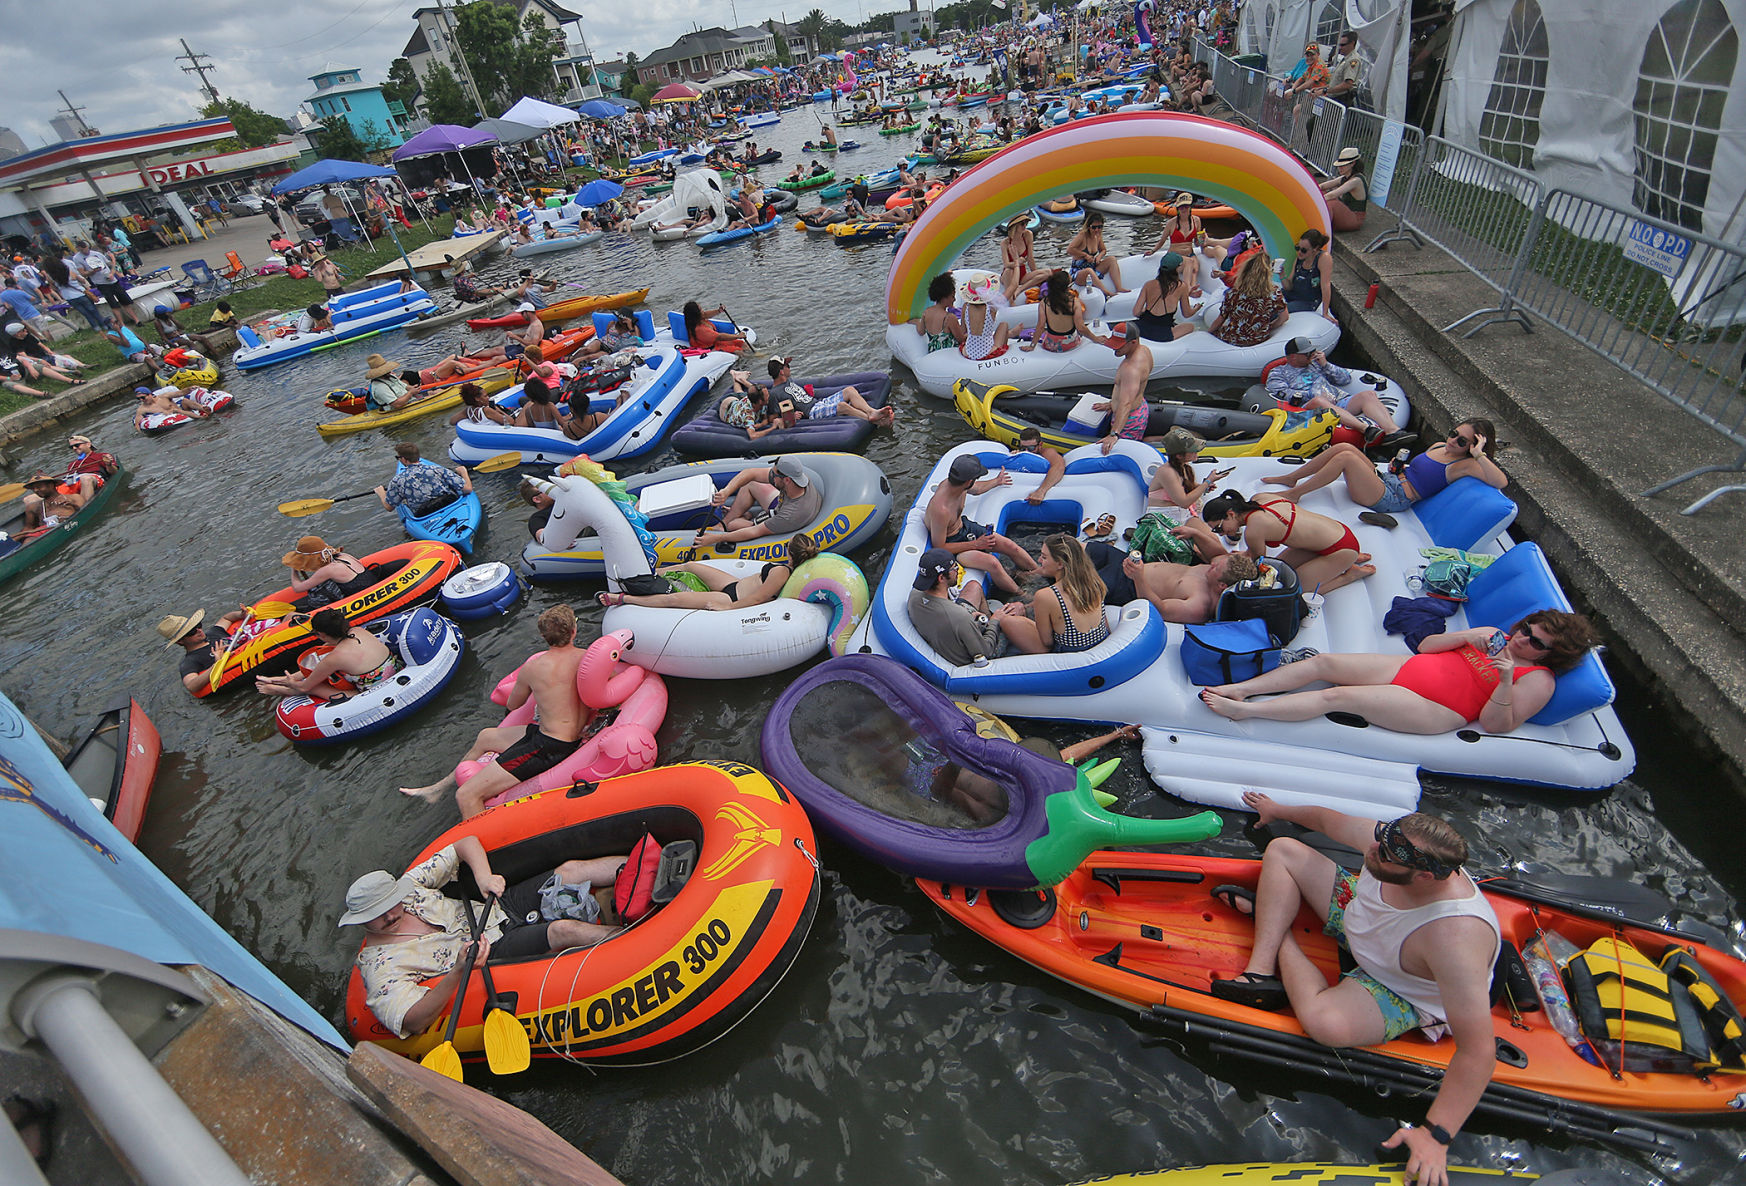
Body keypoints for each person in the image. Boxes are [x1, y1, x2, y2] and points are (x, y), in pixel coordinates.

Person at [1208, 793, 1501, 1186]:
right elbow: (1329, 820)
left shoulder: (1454, 938)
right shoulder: (1391, 845)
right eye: (1380, 840)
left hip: (1399, 984)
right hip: (1360, 920)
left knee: (1325, 1025)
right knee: (1283, 851)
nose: (1373, 849)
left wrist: (1436, 1136)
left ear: (1425, 877)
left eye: (1385, 856)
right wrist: (1277, 811)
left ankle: (1276, 930)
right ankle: (1261, 969)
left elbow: (1479, 1050)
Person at [341, 832, 625, 1040]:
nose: (390, 915)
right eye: (377, 915)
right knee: (564, 931)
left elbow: (465, 843)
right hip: (490, 953)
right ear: (361, 920)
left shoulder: (411, 887)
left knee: (570, 870)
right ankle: (630, 938)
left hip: (499, 908)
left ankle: (652, 861)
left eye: (391, 904)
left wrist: (484, 878)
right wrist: (457, 970)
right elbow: (412, 1019)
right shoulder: (379, 966)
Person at [400, 607, 592, 817]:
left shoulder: (533, 668)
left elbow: (513, 704)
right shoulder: (588, 659)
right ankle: (438, 789)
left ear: (543, 636)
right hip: (552, 736)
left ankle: (483, 844)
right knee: (486, 736)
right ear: (574, 630)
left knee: (466, 795)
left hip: (548, 747)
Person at [1264, 419, 1506, 516]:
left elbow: (1501, 482)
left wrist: (1479, 455)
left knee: (1346, 460)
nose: (1453, 440)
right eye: (1454, 433)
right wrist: (1397, 467)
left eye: (1462, 441)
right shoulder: (1439, 445)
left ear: (1472, 446)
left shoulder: (1463, 465)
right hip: (1388, 479)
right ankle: (1291, 478)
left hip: (1394, 498)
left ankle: (1295, 495)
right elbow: (1415, 470)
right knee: (1345, 448)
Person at [1203, 488, 1374, 594]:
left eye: (1219, 528)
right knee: (1282, 566)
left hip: (1342, 548)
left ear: (1231, 514)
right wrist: (1247, 553)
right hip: (1337, 532)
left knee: (1295, 588)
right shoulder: (1261, 498)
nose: (1221, 533)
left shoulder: (1253, 531)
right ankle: (1348, 558)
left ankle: (1348, 575)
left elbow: (1259, 565)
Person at [598, 533, 820, 611]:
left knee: (674, 599)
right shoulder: (784, 568)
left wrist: (729, 607)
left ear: (790, 551)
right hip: (733, 584)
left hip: (730, 597)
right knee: (691, 566)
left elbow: (760, 597)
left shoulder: (782, 572)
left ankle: (623, 598)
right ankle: (650, 573)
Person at [925, 454, 1039, 595]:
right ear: (968, 481)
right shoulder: (941, 509)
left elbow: (977, 489)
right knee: (993, 563)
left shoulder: (958, 485)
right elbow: (939, 546)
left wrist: (997, 481)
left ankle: (1040, 574)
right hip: (953, 546)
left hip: (965, 528)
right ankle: (1024, 596)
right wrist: (977, 544)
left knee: (1011, 546)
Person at [1265, 337, 1409, 444]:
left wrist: (1325, 364)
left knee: (1368, 395)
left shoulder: (1316, 364)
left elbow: (1345, 379)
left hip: (1338, 401)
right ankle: (1366, 430)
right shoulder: (1278, 373)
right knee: (1319, 400)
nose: (1312, 355)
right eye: (1307, 353)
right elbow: (1280, 393)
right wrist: (1311, 394)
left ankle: (1393, 432)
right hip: (1309, 408)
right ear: (1293, 356)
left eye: (1312, 351)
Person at [994, 534, 1111, 654]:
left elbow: (1047, 642)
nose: (1039, 560)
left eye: (1044, 557)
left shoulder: (1045, 595)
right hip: (1100, 640)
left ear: (1060, 564)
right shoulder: (1094, 581)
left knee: (1006, 620)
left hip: (1068, 651)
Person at [253, 608, 397, 700]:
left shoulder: (334, 658)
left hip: (373, 691)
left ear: (321, 634)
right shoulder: (358, 631)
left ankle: (281, 688)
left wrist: (293, 684)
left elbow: (305, 687)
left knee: (312, 686)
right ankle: (281, 679)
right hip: (395, 670)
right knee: (324, 651)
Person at [694, 455, 823, 548]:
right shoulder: (799, 481)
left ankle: (730, 525)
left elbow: (755, 532)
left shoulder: (790, 515)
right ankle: (723, 524)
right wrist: (726, 492)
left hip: (780, 517)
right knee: (751, 483)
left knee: (733, 525)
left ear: (787, 480)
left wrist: (716, 538)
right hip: (780, 505)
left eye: (774, 475)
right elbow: (751, 473)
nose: (771, 476)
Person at [907, 547, 1005, 666]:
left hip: (949, 629)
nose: (958, 570)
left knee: (974, 586)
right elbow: (986, 651)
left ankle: (988, 619)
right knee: (1016, 610)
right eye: (954, 568)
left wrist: (970, 619)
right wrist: (995, 620)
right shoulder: (959, 617)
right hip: (970, 657)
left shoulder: (914, 596)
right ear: (941, 578)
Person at [764, 357, 893, 427]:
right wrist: (790, 416)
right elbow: (772, 418)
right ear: (781, 371)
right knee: (842, 407)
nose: (789, 367)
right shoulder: (775, 394)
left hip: (818, 403)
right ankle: (874, 420)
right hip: (812, 413)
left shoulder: (788, 380)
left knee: (849, 390)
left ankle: (872, 412)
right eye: (787, 365)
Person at [1095, 324, 1155, 454]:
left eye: (1119, 346)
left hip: (1128, 420)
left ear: (1133, 342)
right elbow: (1131, 391)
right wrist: (1112, 404)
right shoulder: (1144, 350)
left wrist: (1114, 434)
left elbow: (1126, 403)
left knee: (1119, 452)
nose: (1114, 350)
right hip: (1140, 407)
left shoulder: (1131, 369)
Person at [1210, 253, 1290, 347]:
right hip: (1258, 339)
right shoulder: (1274, 293)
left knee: (1222, 329)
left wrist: (1208, 334)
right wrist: (1268, 327)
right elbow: (1284, 317)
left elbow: (1220, 319)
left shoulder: (1234, 293)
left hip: (1234, 339)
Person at [376, 442, 471, 518]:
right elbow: (468, 489)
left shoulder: (397, 480)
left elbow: (389, 507)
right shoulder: (436, 469)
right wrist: (463, 472)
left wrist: (381, 493)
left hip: (424, 515)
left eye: (398, 458)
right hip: (448, 504)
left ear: (404, 459)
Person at [1022, 270, 1102, 355]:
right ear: (1067, 288)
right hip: (1070, 344)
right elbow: (1081, 328)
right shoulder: (1075, 302)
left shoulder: (1044, 302)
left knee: (1046, 332)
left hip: (1050, 345)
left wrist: (1032, 345)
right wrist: (1095, 338)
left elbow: (1040, 326)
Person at [1131, 252, 1202, 343]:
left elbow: (1136, 312)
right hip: (1162, 334)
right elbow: (1187, 314)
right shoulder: (1181, 286)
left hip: (1142, 329)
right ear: (1177, 268)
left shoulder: (1148, 284)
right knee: (1190, 326)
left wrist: (1146, 310)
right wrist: (1196, 308)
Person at [1283, 228, 1336, 321]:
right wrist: (1281, 275)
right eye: (1297, 248)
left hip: (1308, 301)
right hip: (1293, 295)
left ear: (1315, 249)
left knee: (1278, 312)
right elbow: (1289, 287)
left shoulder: (1323, 259)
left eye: (1303, 250)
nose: (1299, 252)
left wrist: (1325, 313)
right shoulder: (1299, 259)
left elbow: (1326, 286)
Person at [1067, 212, 1127, 293]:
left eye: (1100, 227)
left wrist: (1099, 257)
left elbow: (1103, 250)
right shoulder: (1082, 236)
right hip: (1078, 272)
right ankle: (1106, 292)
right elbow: (1069, 250)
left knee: (1112, 259)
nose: (1097, 230)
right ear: (1089, 227)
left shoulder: (1098, 236)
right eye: (1094, 227)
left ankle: (1119, 288)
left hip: (1092, 266)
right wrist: (1085, 255)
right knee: (1089, 271)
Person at [1000, 213, 1050, 304]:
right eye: (1022, 224)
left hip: (1022, 274)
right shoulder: (1005, 243)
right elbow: (1006, 264)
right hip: (1009, 274)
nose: (1025, 226)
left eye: (1026, 223)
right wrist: (1017, 261)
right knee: (1008, 270)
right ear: (1015, 226)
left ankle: (1019, 289)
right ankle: (1011, 301)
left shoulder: (1028, 235)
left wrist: (1036, 275)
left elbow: (1030, 258)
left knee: (1048, 273)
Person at [18, 471, 94, 531]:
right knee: (28, 540)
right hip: (44, 532)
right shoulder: (32, 507)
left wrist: (72, 505)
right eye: (33, 488)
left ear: (51, 485)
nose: (36, 490)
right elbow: (29, 528)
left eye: (39, 487)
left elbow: (87, 513)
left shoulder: (75, 498)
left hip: (70, 527)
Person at [1011, 425, 1066, 505]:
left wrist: (1041, 491)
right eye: (1023, 448)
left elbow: (1059, 467)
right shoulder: (1022, 453)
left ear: (1040, 444)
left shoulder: (1048, 453)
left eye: (1031, 448)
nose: (1027, 451)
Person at [915, 272, 967, 353]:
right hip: (948, 354)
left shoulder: (926, 312)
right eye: (953, 296)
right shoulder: (949, 318)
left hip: (933, 353)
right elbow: (961, 339)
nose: (954, 300)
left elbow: (921, 332)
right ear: (944, 297)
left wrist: (916, 322)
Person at [1321, 147, 1369, 232]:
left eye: (1343, 165)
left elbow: (1332, 195)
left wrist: (1314, 202)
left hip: (1355, 218)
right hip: (1345, 212)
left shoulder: (1356, 180)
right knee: (1320, 192)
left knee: (1332, 204)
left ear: (1352, 163)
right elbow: (1322, 186)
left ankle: (1322, 230)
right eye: (1339, 166)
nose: (1340, 168)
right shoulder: (1345, 177)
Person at [959, 289, 1013, 361]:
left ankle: (1010, 333)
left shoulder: (965, 306)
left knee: (977, 336)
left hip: (968, 351)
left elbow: (963, 331)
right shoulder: (991, 308)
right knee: (1004, 325)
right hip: (988, 351)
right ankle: (1004, 352)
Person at [682, 301, 749, 353]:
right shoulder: (699, 329)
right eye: (700, 309)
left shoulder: (698, 318)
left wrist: (719, 311)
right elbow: (720, 337)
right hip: (710, 348)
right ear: (696, 314)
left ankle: (756, 353)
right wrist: (737, 336)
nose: (703, 311)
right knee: (738, 351)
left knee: (741, 343)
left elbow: (705, 314)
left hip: (716, 343)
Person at [1325, 30, 1367, 107]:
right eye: (1339, 45)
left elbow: (1348, 84)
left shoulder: (1353, 60)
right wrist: (1322, 89)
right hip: (1334, 99)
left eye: (1343, 45)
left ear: (1352, 44)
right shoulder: (1346, 59)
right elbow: (1336, 81)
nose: (1340, 48)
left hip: (1341, 100)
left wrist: (1326, 91)